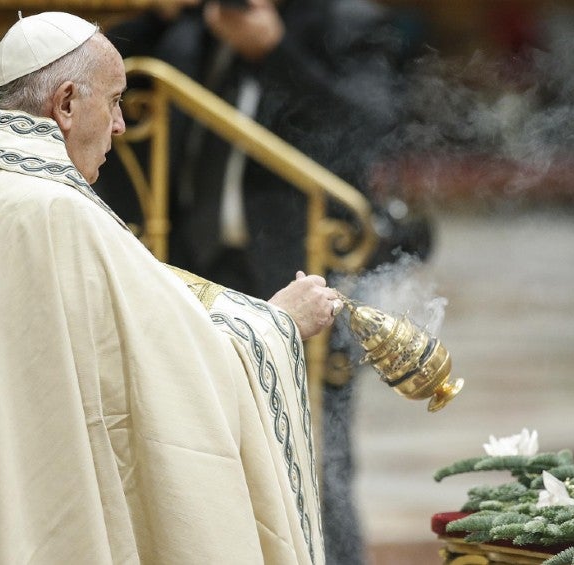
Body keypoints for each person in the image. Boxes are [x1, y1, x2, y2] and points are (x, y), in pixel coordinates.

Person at [0, 11, 343, 563]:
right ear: (67, 103)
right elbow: (167, 362)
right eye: (115, 100)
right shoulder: (59, 211)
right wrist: (279, 325)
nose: (122, 125)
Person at [97, 2, 418, 562]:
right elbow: (111, 62)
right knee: (211, 445)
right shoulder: (201, 24)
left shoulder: (343, 22)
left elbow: (370, 123)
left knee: (319, 456)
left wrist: (274, 51)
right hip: (205, 269)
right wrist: (162, 15)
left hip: (309, 268)